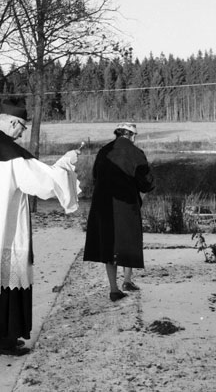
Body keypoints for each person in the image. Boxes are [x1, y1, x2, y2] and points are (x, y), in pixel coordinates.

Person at [0, 98, 80, 356]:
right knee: (5, 285)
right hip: (5, 232)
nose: (22, 133)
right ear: (12, 122)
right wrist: (66, 162)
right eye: (22, 127)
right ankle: (1, 343)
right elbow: (44, 183)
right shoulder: (10, 154)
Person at [83, 122, 155, 302]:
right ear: (132, 135)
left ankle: (113, 288)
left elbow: (95, 176)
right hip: (126, 204)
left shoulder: (103, 151)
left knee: (109, 243)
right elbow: (146, 182)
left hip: (103, 204)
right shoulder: (136, 153)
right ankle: (127, 281)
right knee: (128, 240)